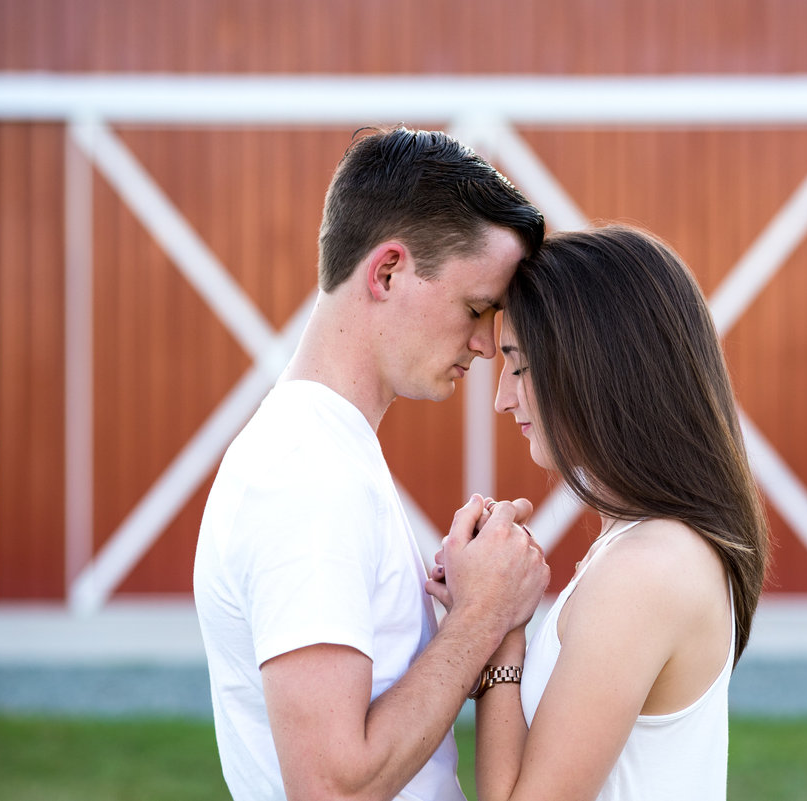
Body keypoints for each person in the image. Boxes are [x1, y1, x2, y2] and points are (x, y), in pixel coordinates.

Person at [193, 125, 551, 801]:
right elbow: (332, 786)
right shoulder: (304, 473)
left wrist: (468, 615)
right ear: (387, 272)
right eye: (476, 309)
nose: (484, 344)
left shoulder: (329, 453)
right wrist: (483, 612)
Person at [428, 224, 770, 801]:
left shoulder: (647, 568)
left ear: (598, 363)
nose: (502, 397)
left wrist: (499, 629)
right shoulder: (640, 547)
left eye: (519, 366)